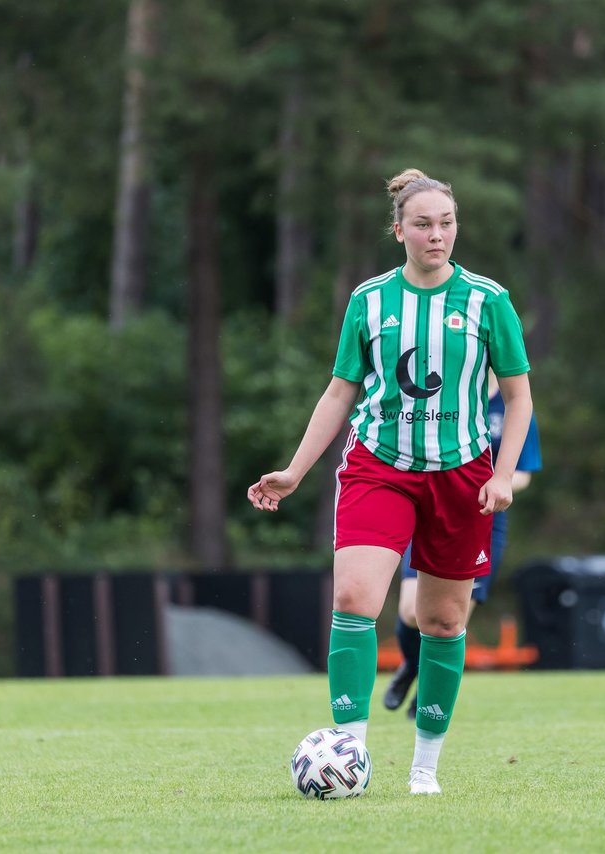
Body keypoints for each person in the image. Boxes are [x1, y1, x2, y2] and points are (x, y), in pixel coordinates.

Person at [248, 168, 533, 796]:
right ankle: (349, 752)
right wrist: (295, 470)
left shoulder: (489, 301)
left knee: (442, 620)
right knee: (354, 599)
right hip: (379, 467)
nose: (437, 235)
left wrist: (505, 475)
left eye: (447, 223)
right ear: (398, 229)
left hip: (461, 475)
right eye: (424, 224)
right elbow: (340, 390)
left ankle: (424, 769)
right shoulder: (368, 300)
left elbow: (518, 398)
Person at [383, 369, 542, 716]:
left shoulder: (514, 402)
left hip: (485, 520)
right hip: (435, 511)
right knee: (412, 611)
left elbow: (524, 474)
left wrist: (489, 485)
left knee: (449, 621)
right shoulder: (445, 396)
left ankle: (427, 698)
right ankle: (411, 666)